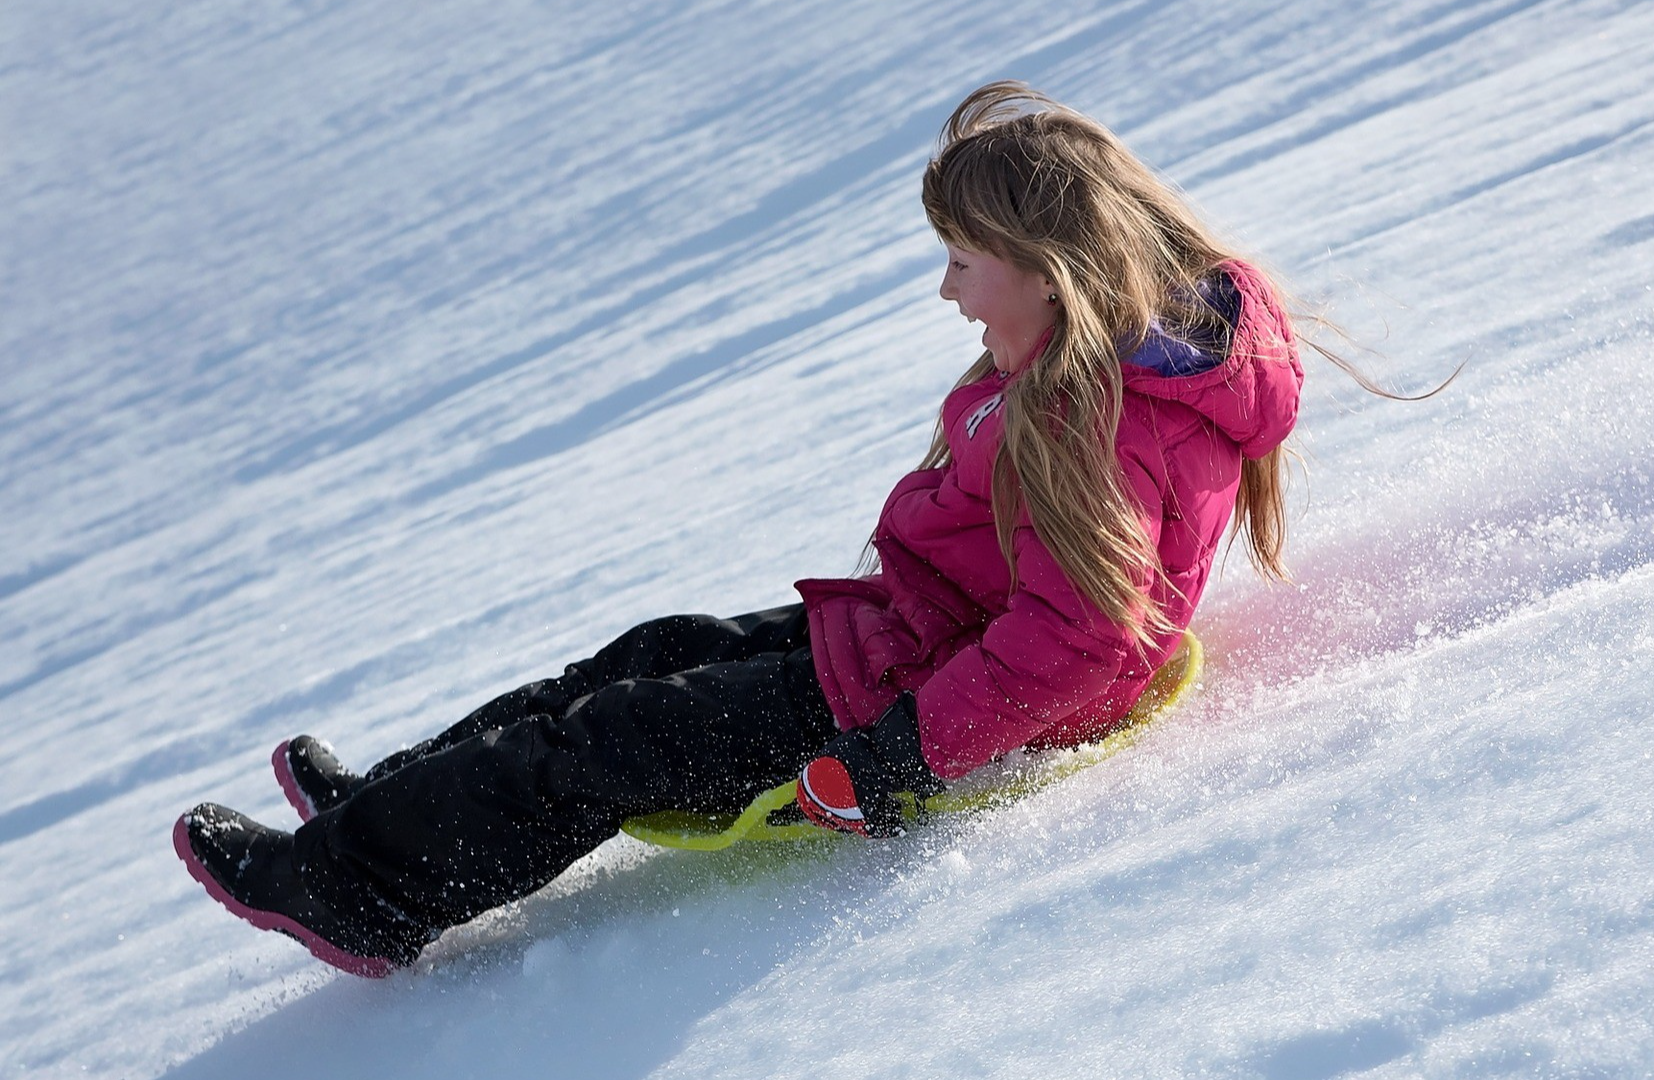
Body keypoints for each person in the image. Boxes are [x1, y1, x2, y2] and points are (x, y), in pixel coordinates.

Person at [174, 80, 1306, 978]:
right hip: (917, 635)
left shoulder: (1094, 422)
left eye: (964, 263)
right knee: (652, 652)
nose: (948, 292)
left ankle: (355, 893)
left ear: (1052, 275)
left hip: (914, 701)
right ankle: (381, 806)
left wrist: (899, 759)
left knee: (610, 739)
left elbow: (1077, 642)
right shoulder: (1110, 367)